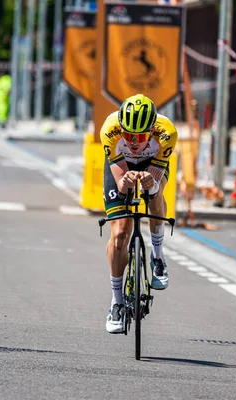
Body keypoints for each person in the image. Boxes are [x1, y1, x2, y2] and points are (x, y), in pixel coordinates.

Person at [101, 93, 178, 334]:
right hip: (121, 164)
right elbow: (121, 185)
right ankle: (116, 302)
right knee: (121, 233)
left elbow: (155, 185)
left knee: (155, 196)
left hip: (150, 162)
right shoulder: (109, 131)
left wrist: (150, 183)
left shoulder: (167, 134)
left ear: (152, 130)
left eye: (141, 136)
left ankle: (157, 256)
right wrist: (126, 182)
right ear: (121, 129)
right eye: (129, 135)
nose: (134, 141)